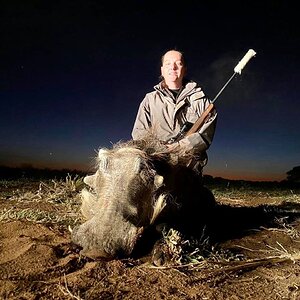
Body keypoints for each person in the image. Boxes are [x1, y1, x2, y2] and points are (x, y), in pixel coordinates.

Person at [131, 49, 217, 176]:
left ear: (185, 69)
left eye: (178, 63)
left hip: (189, 166)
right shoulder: (149, 99)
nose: (173, 67)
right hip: (157, 163)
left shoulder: (203, 101)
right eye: (168, 63)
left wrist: (177, 148)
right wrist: (160, 150)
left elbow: (204, 137)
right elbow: (139, 133)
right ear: (162, 70)